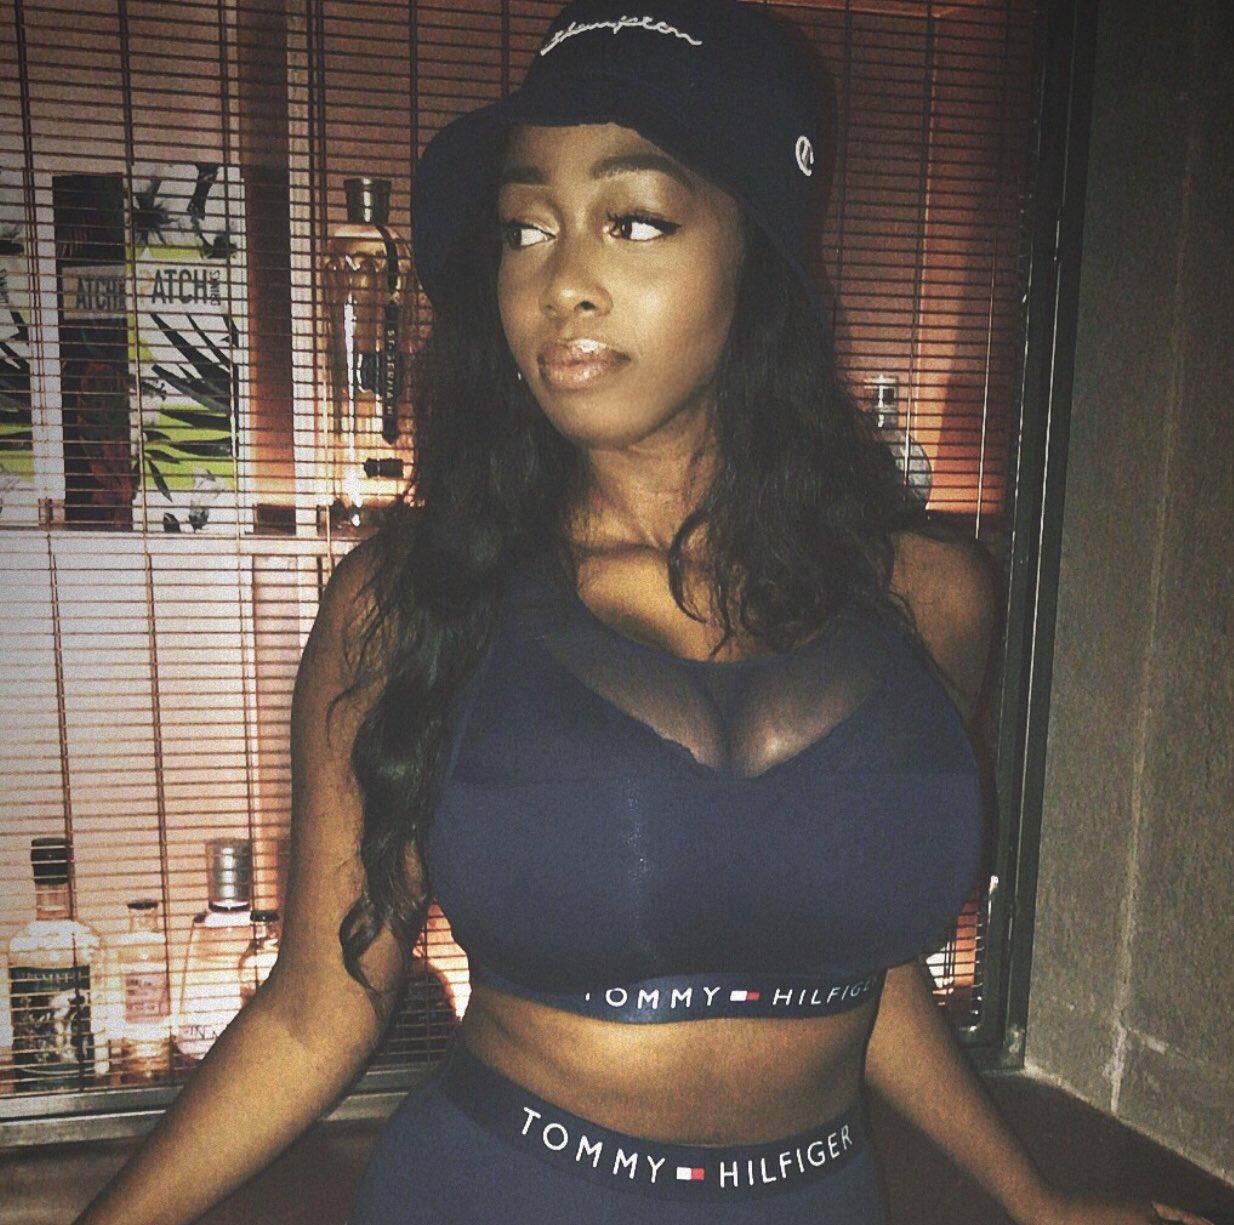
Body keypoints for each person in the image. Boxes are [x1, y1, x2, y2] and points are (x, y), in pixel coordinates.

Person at [74, 2, 1213, 1223]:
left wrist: (1032, 1199)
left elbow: (858, 968)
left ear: (759, 251)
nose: (561, 283)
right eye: (524, 228)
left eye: (633, 221)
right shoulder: (411, 599)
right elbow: (317, 1007)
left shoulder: (929, 596)